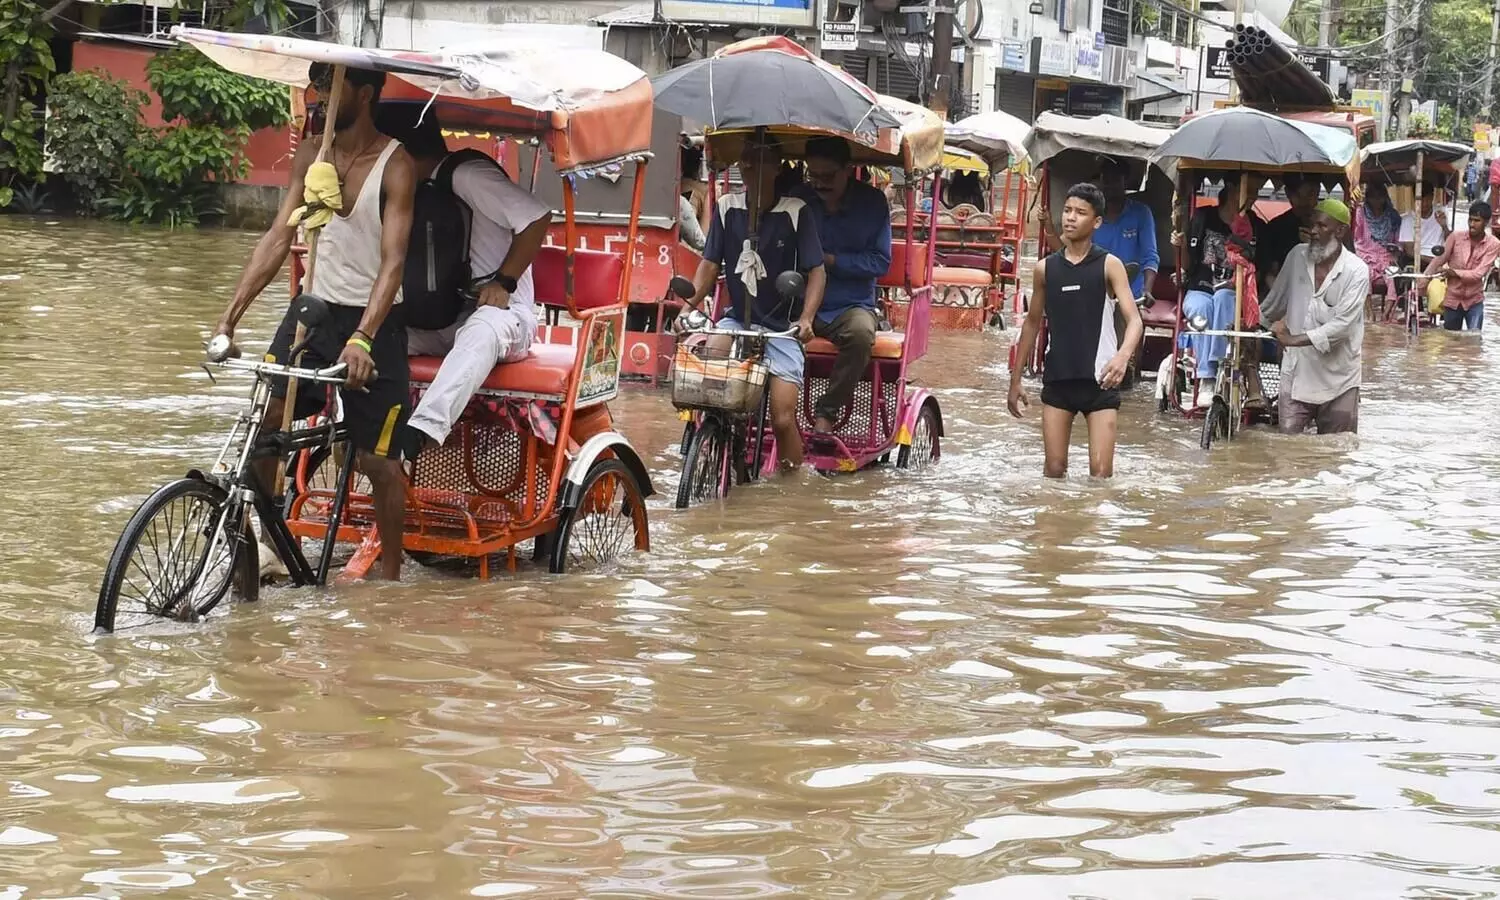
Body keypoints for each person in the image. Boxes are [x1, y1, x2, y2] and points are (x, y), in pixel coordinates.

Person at [211, 65, 416, 580]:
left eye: (330, 86)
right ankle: (270, 542)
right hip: (314, 310)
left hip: (375, 321)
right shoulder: (311, 153)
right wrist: (228, 320)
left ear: (364, 95)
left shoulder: (396, 166)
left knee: (379, 464)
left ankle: (391, 579)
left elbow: (393, 263)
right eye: (316, 85)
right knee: (264, 425)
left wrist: (364, 339)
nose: (317, 96)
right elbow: (279, 237)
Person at [376, 106, 552, 459]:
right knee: (372, 333)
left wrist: (504, 281)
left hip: (504, 320)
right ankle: (360, 430)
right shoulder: (402, 188)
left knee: (483, 326)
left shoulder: (469, 175)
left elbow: (536, 217)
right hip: (437, 322)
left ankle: (422, 431)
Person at [681, 137, 827, 470]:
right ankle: (713, 438)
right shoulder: (727, 207)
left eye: (758, 160)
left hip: (782, 329)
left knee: (782, 416)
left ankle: (791, 486)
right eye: (745, 160)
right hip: (738, 321)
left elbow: (816, 271)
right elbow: (709, 265)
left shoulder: (795, 212)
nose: (748, 166)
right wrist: (688, 307)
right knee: (710, 365)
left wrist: (806, 319)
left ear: (776, 168)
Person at [1008, 183, 1143, 478]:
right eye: (1067, 210)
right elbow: (1032, 323)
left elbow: (1135, 320)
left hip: (1100, 381)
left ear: (1096, 222)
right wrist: (1015, 380)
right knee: (1054, 470)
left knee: (1101, 473)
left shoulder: (1110, 265)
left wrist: (1122, 357)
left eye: (1080, 213)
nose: (1070, 218)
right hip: (1059, 380)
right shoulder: (1045, 269)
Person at [792, 136, 891, 434]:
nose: (820, 184)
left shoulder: (872, 203)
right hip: (798, 301)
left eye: (828, 176)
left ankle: (828, 412)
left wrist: (832, 261)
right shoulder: (798, 199)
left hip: (849, 305)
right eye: (814, 176)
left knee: (861, 333)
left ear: (847, 170)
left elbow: (881, 263)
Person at [1259, 198, 1368, 435]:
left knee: (1337, 451)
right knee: (1287, 452)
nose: (1314, 231)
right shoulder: (1297, 256)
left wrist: (1291, 340)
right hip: (1296, 374)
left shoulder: (1356, 270)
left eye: (1322, 226)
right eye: (1313, 225)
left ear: (1340, 231)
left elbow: (1342, 326)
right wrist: (1249, 325)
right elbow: (1275, 303)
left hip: (1340, 379)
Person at [1178, 181, 1244, 404]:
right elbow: (1187, 266)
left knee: (1224, 297)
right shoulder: (1203, 217)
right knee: (1201, 308)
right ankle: (1206, 376)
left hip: (1233, 292)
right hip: (1200, 288)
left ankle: (1219, 363)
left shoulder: (1252, 225)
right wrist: (1180, 246)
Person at [1420, 201, 1500, 331]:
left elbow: (1479, 273)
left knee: (1474, 339)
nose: (1472, 224)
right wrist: (1424, 279)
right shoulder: (1455, 237)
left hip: (1474, 301)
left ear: (1486, 222)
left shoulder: (1494, 244)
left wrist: (1454, 273)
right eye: (1470, 220)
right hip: (1452, 299)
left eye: (1477, 221)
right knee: (1451, 340)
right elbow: (1439, 260)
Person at [1091, 156, 1160, 306]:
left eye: (1115, 179)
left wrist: (1147, 290)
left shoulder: (1141, 213)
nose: (1109, 185)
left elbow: (1150, 256)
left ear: (1125, 181)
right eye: (1105, 179)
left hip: (1131, 295)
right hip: (1096, 291)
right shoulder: (1091, 213)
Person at [1256, 173, 1322, 289]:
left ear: (1318, 192)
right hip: (1284, 289)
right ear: (1288, 193)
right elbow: (1269, 271)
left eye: (1310, 194)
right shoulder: (1274, 228)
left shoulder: (1329, 224)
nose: (1305, 201)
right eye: (1299, 195)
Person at [1398, 189, 1451, 270]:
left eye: (1428, 199)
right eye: (1421, 200)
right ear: (1415, 199)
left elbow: (1450, 241)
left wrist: (1444, 226)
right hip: (1417, 259)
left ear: (1432, 197)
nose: (1425, 203)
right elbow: (1409, 251)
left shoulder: (1441, 213)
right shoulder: (1408, 219)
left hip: (1438, 256)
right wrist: (1432, 262)